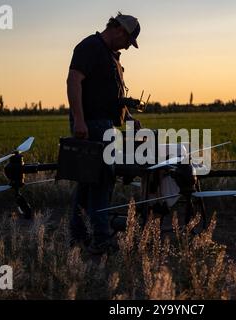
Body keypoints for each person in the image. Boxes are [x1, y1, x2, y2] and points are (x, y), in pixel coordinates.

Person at [66, 13, 141, 254]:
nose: (128, 47)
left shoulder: (111, 57)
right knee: (101, 181)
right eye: (129, 41)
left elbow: (113, 98)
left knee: (88, 182)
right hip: (92, 124)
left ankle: (79, 236)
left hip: (105, 124)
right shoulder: (90, 47)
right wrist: (79, 120)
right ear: (119, 30)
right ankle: (101, 239)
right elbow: (73, 81)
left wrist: (128, 118)